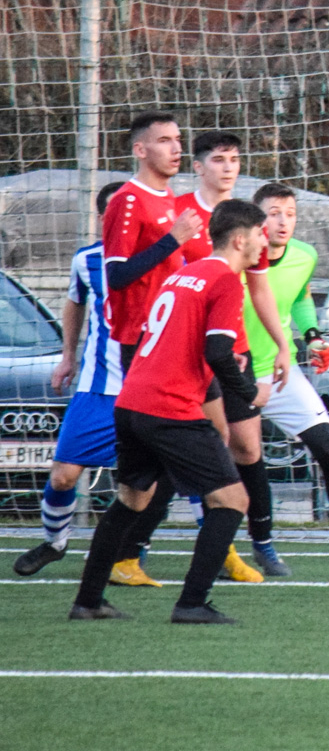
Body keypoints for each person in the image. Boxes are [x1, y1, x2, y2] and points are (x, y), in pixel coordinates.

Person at [69, 199, 270, 625]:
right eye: (260, 233)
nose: (264, 242)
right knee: (232, 500)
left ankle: (88, 600)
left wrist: (217, 370)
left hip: (132, 402)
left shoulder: (183, 274)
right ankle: (192, 603)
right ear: (240, 239)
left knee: (132, 499)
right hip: (169, 407)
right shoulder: (226, 280)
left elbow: (180, 342)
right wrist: (250, 393)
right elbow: (218, 351)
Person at [115, 129, 289, 583]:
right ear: (198, 166)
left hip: (232, 348)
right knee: (190, 446)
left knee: (245, 446)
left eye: (234, 159)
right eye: (218, 159)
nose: (228, 167)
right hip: (189, 354)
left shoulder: (247, 222)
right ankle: (135, 548)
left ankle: (256, 542)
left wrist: (282, 344)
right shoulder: (179, 215)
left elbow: (259, 287)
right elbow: (156, 279)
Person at [242, 182, 329, 564]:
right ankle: (255, 545)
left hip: (280, 372)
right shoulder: (236, 258)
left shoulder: (305, 255)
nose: (283, 222)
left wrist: (313, 337)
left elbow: (300, 298)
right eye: (273, 213)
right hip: (232, 376)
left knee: (328, 450)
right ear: (255, 218)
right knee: (239, 463)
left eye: (290, 214)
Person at [100, 112, 203, 588]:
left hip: (173, 342)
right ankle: (121, 554)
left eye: (178, 139)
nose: (176, 148)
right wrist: (172, 240)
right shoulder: (128, 200)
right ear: (140, 150)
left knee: (189, 448)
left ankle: (126, 553)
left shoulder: (171, 201)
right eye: (164, 140)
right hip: (142, 344)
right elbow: (118, 275)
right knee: (164, 456)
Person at [12, 183, 126, 576]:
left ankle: (135, 552)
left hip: (147, 388)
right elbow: (75, 302)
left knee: (155, 482)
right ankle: (55, 541)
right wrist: (67, 356)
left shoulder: (162, 259)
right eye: (117, 212)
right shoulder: (88, 260)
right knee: (63, 476)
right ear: (103, 218)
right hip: (98, 388)